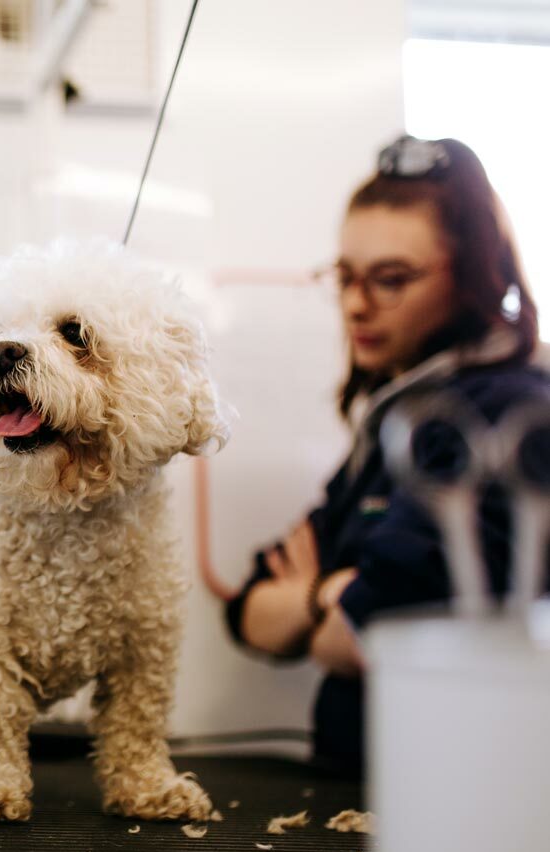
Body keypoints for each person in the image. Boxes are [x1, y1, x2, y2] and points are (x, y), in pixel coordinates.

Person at [224, 136, 549, 775]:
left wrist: (321, 606)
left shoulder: (500, 418)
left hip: (453, 797)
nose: (354, 304)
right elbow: (248, 608)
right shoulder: (399, 416)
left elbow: (377, 633)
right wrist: (325, 596)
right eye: (344, 276)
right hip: (364, 801)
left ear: (474, 277)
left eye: (391, 279)